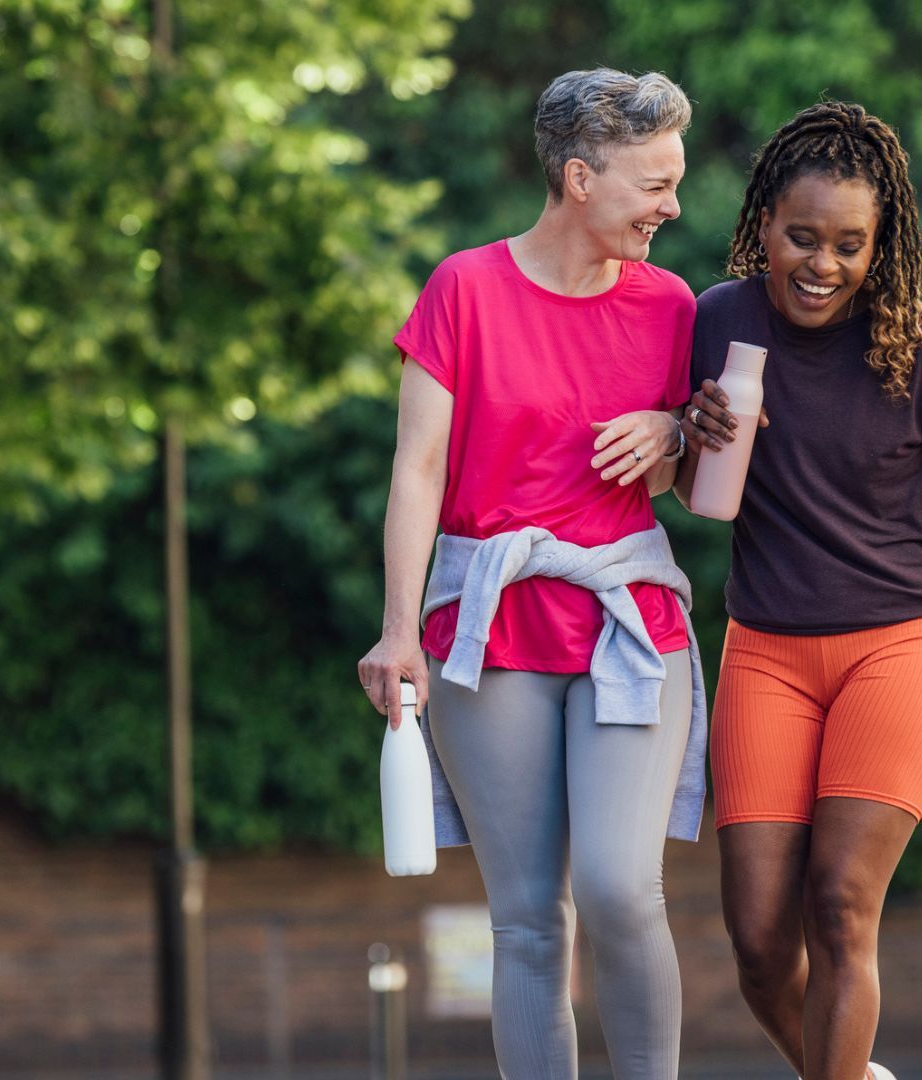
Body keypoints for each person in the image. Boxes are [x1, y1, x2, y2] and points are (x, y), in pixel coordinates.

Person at [675, 101, 922, 1080]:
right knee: (758, 942)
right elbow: (690, 494)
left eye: (849, 244)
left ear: (880, 247)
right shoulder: (715, 321)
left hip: (908, 643)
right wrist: (692, 439)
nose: (821, 264)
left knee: (839, 904)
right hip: (767, 645)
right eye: (801, 237)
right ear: (763, 228)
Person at [356, 68, 705, 1079]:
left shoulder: (673, 305)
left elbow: (698, 484)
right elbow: (417, 469)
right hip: (489, 623)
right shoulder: (464, 288)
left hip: (626, 618)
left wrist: (673, 430)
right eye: (656, 182)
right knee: (526, 923)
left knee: (618, 887)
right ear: (581, 177)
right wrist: (395, 628)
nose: (673, 206)